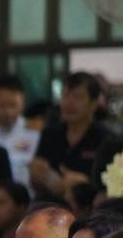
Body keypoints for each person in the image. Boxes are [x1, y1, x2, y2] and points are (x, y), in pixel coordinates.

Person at [32, 72, 108, 200]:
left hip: (90, 211)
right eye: (65, 95)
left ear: (94, 104)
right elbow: (37, 184)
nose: (69, 102)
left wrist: (85, 183)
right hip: (50, 207)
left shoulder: (106, 138)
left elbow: (113, 188)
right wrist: (36, 175)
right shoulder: (50, 133)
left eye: (77, 97)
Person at [0, 74, 40, 190]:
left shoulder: (35, 133)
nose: (8, 112)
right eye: (2, 106)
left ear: (23, 102)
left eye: (13, 105)